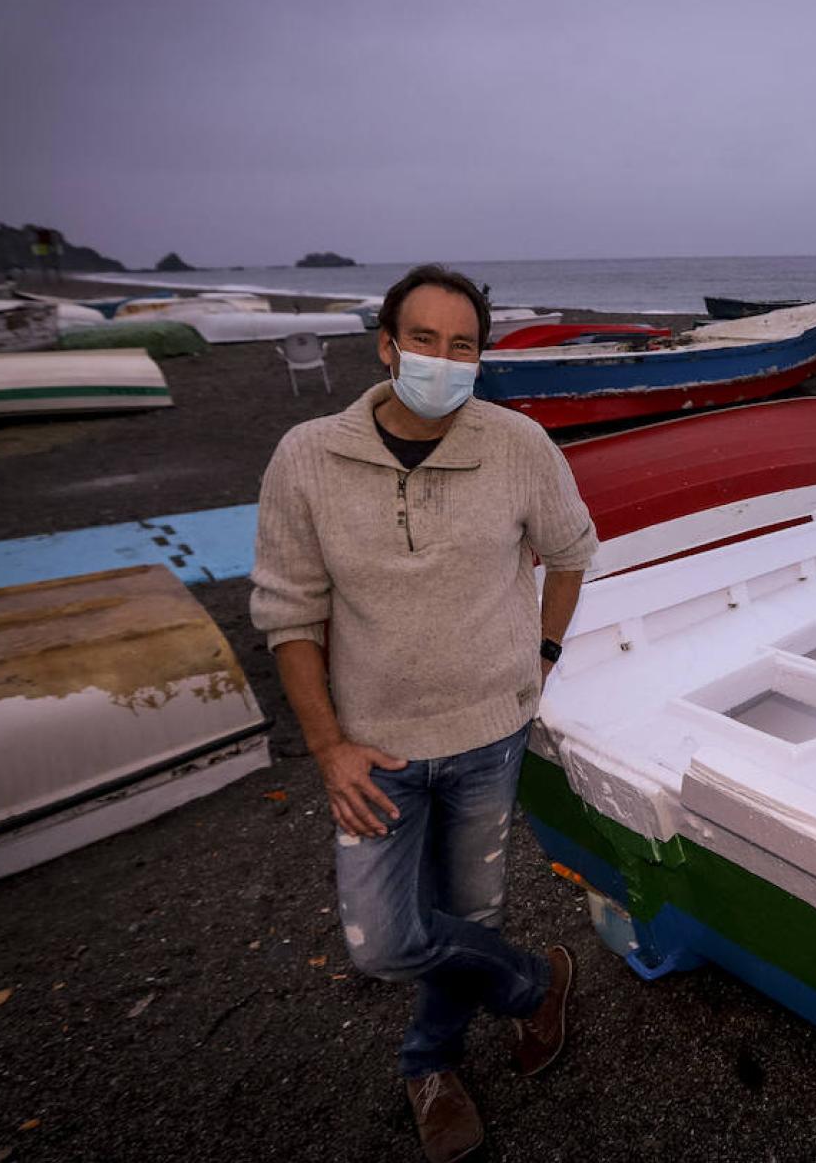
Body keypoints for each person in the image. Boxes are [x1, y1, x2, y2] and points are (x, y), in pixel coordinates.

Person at [251, 264, 598, 1163]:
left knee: (470, 915)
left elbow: (570, 553)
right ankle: (534, 983)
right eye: (425, 341)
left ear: (481, 357)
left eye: (463, 346)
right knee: (382, 941)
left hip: (491, 735)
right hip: (375, 751)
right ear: (387, 345)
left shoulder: (520, 446)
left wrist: (544, 656)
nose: (442, 361)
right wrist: (326, 747)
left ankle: (430, 1064)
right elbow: (289, 615)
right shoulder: (308, 457)